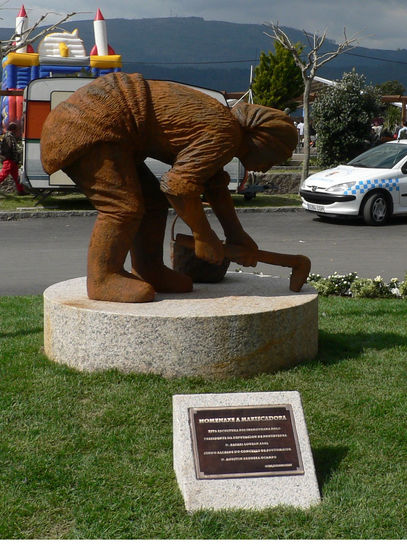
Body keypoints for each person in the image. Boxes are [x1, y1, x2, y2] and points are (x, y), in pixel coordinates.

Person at [40, 72, 298, 303]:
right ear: (264, 142)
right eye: (275, 158)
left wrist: (236, 235)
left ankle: (149, 268)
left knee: (152, 201)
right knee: (122, 207)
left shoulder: (223, 127)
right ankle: (102, 279)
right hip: (88, 125)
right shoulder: (225, 133)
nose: (267, 168)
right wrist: (203, 236)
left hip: (109, 129)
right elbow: (177, 186)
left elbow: (214, 185)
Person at [0, 122, 27, 195]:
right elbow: (9, 148)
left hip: (12, 161)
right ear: (13, 129)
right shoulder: (9, 136)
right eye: (16, 129)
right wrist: (9, 158)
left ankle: (21, 191)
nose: (17, 130)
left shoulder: (10, 136)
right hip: (9, 160)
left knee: (17, 177)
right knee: (2, 175)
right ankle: (21, 191)